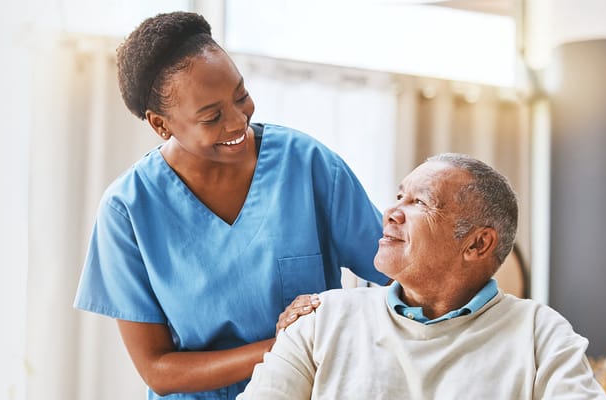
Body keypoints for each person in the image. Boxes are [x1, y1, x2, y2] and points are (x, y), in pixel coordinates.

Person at [73, 11, 390, 399]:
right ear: (161, 124)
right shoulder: (128, 211)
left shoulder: (307, 164)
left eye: (241, 96)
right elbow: (158, 369)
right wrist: (285, 346)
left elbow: (397, 274)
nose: (238, 121)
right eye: (212, 117)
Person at [239, 153, 606, 399]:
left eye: (420, 203)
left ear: (478, 244)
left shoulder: (540, 334)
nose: (390, 213)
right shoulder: (322, 319)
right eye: (400, 196)